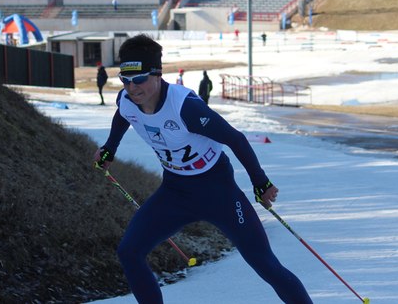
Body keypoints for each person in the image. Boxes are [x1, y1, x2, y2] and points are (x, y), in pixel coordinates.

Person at [92, 34, 312, 304]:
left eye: (139, 79)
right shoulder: (127, 100)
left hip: (218, 191)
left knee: (265, 264)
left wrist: (261, 183)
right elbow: (124, 115)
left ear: (157, 74)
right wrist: (109, 148)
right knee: (129, 251)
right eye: (125, 80)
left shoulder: (185, 108)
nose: (132, 88)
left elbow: (235, 139)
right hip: (175, 191)